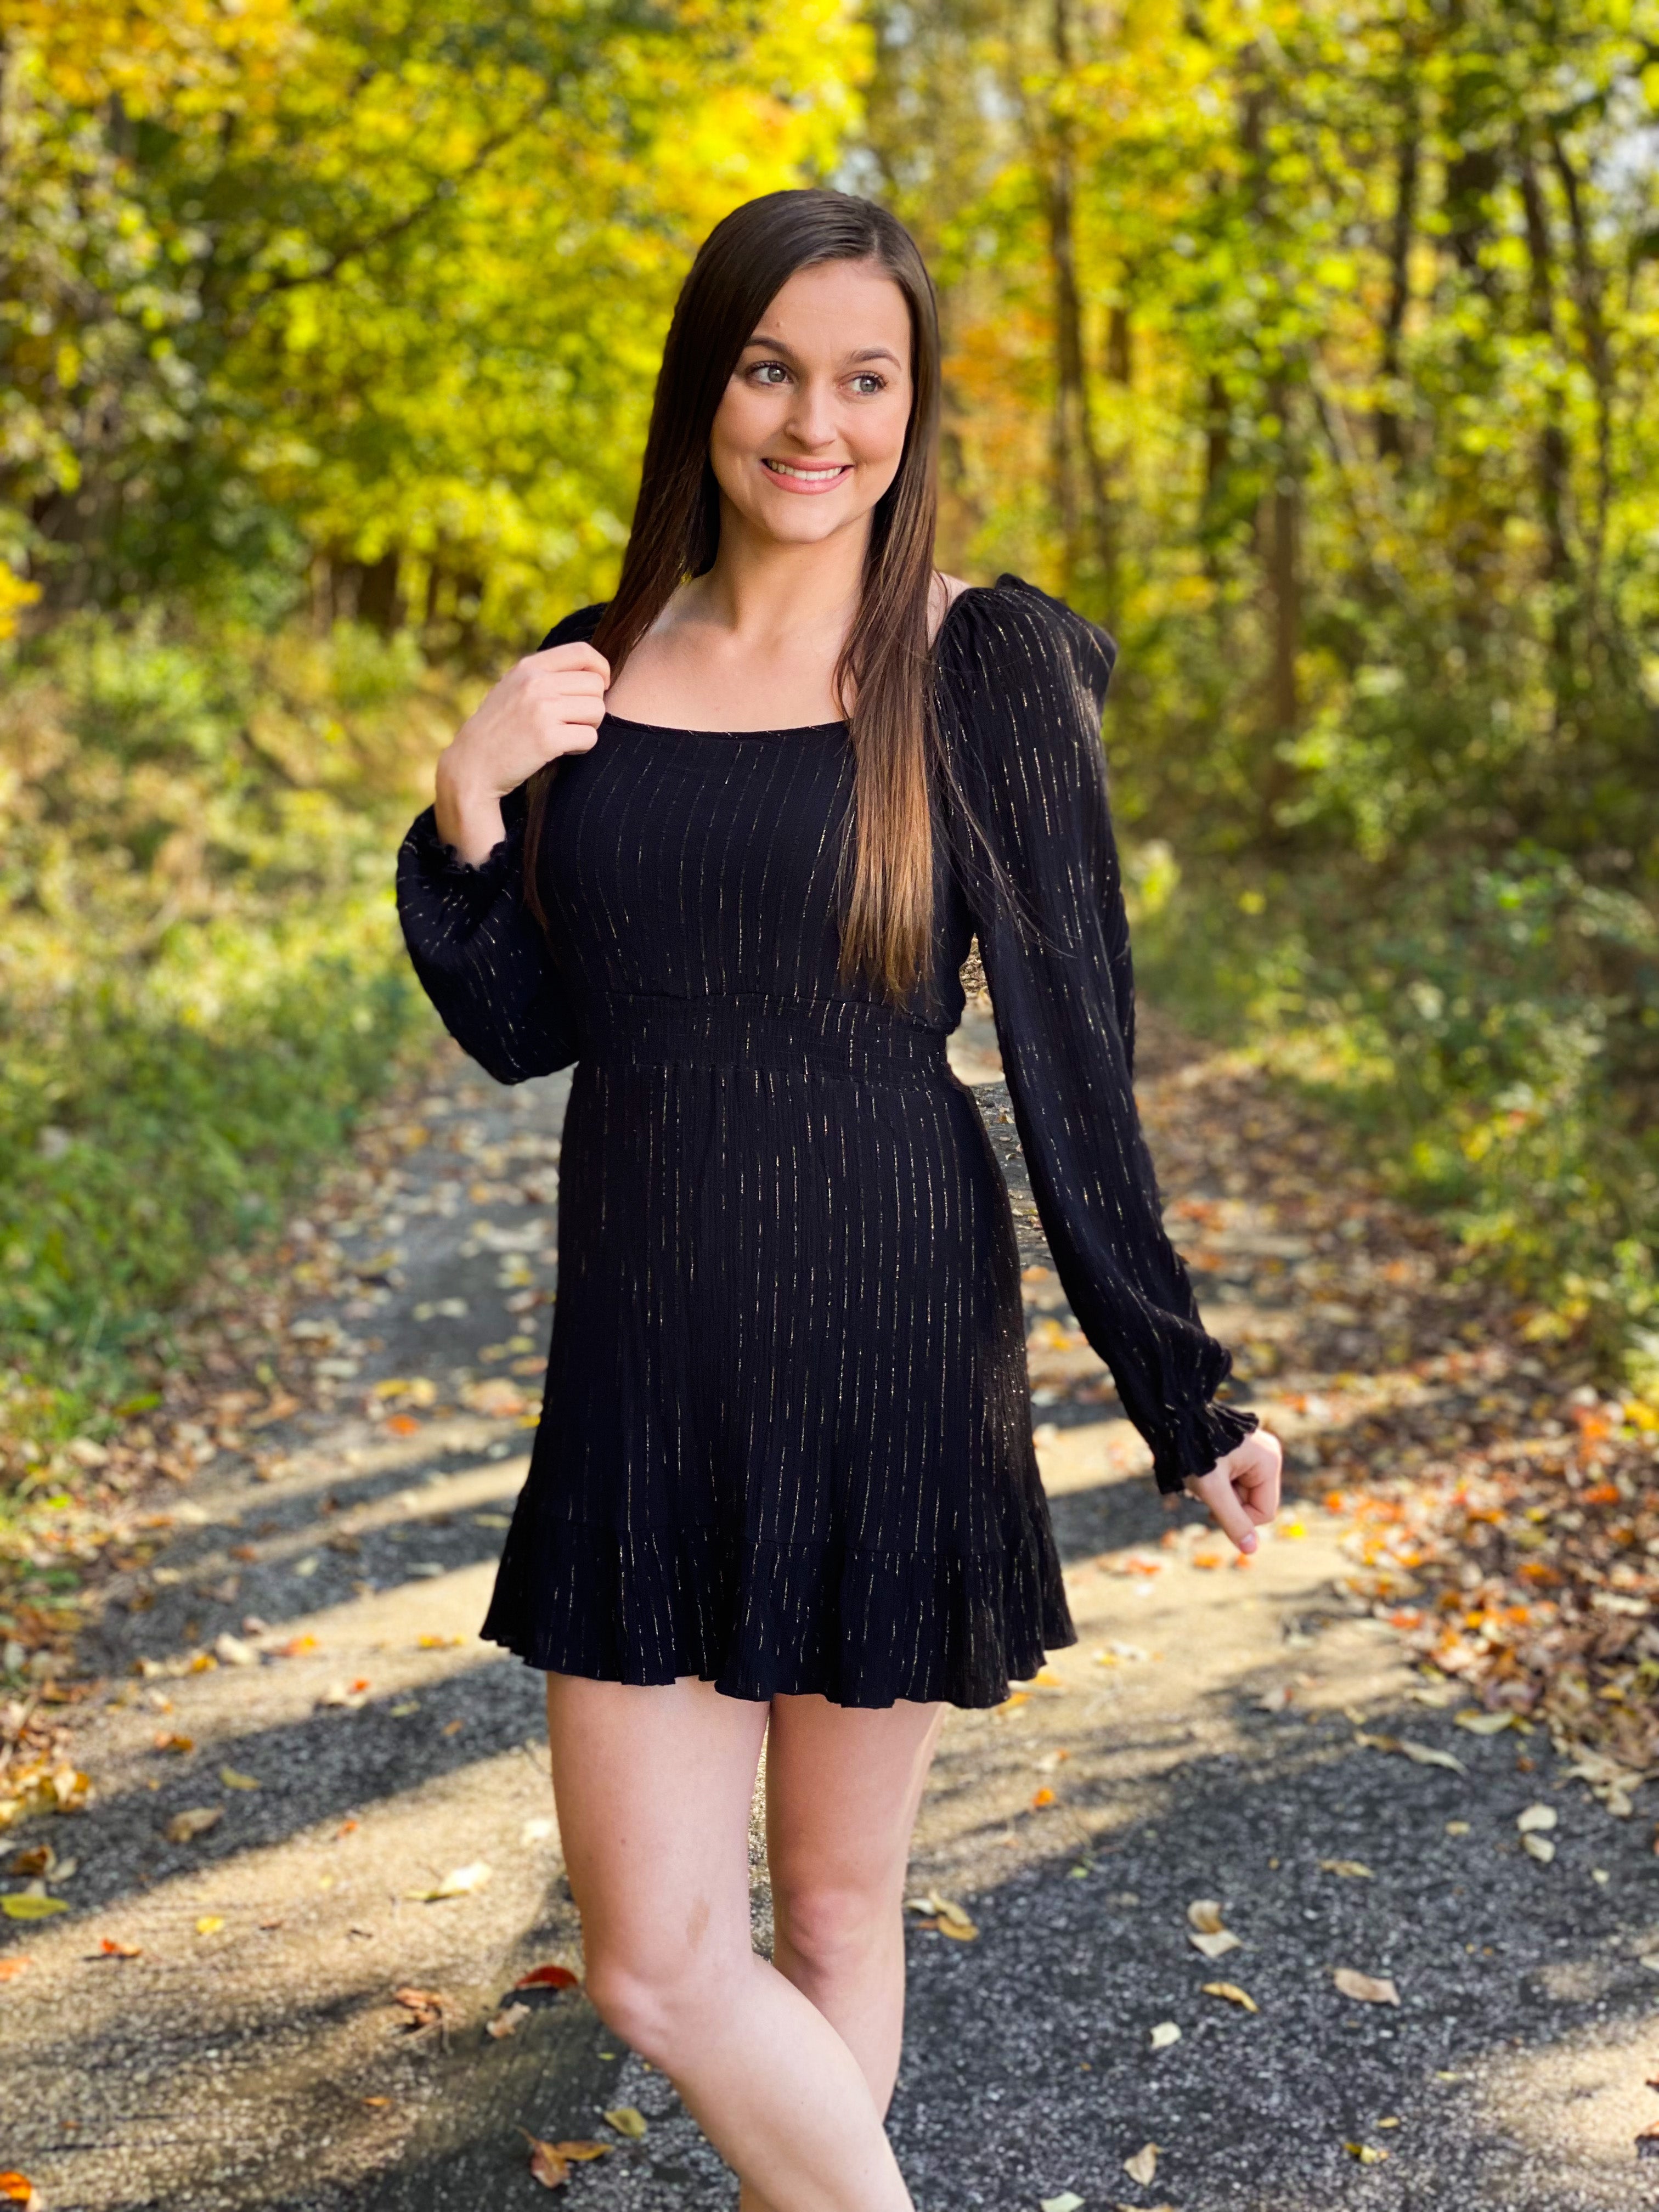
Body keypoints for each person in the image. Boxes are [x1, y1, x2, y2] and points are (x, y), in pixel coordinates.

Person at [396, 187, 1281, 2212]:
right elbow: (534, 1028)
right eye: (772, 367)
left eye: (864, 377)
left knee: (836, 1909)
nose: (816, 421)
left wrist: (1187, 1395)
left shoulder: (984, 668)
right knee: (654, 1964)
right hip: (643, 1346)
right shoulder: (597, 666)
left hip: (890, 1321)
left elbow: (1079, 1063)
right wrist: (466, 814)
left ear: (913, 403)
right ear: (706, 385)